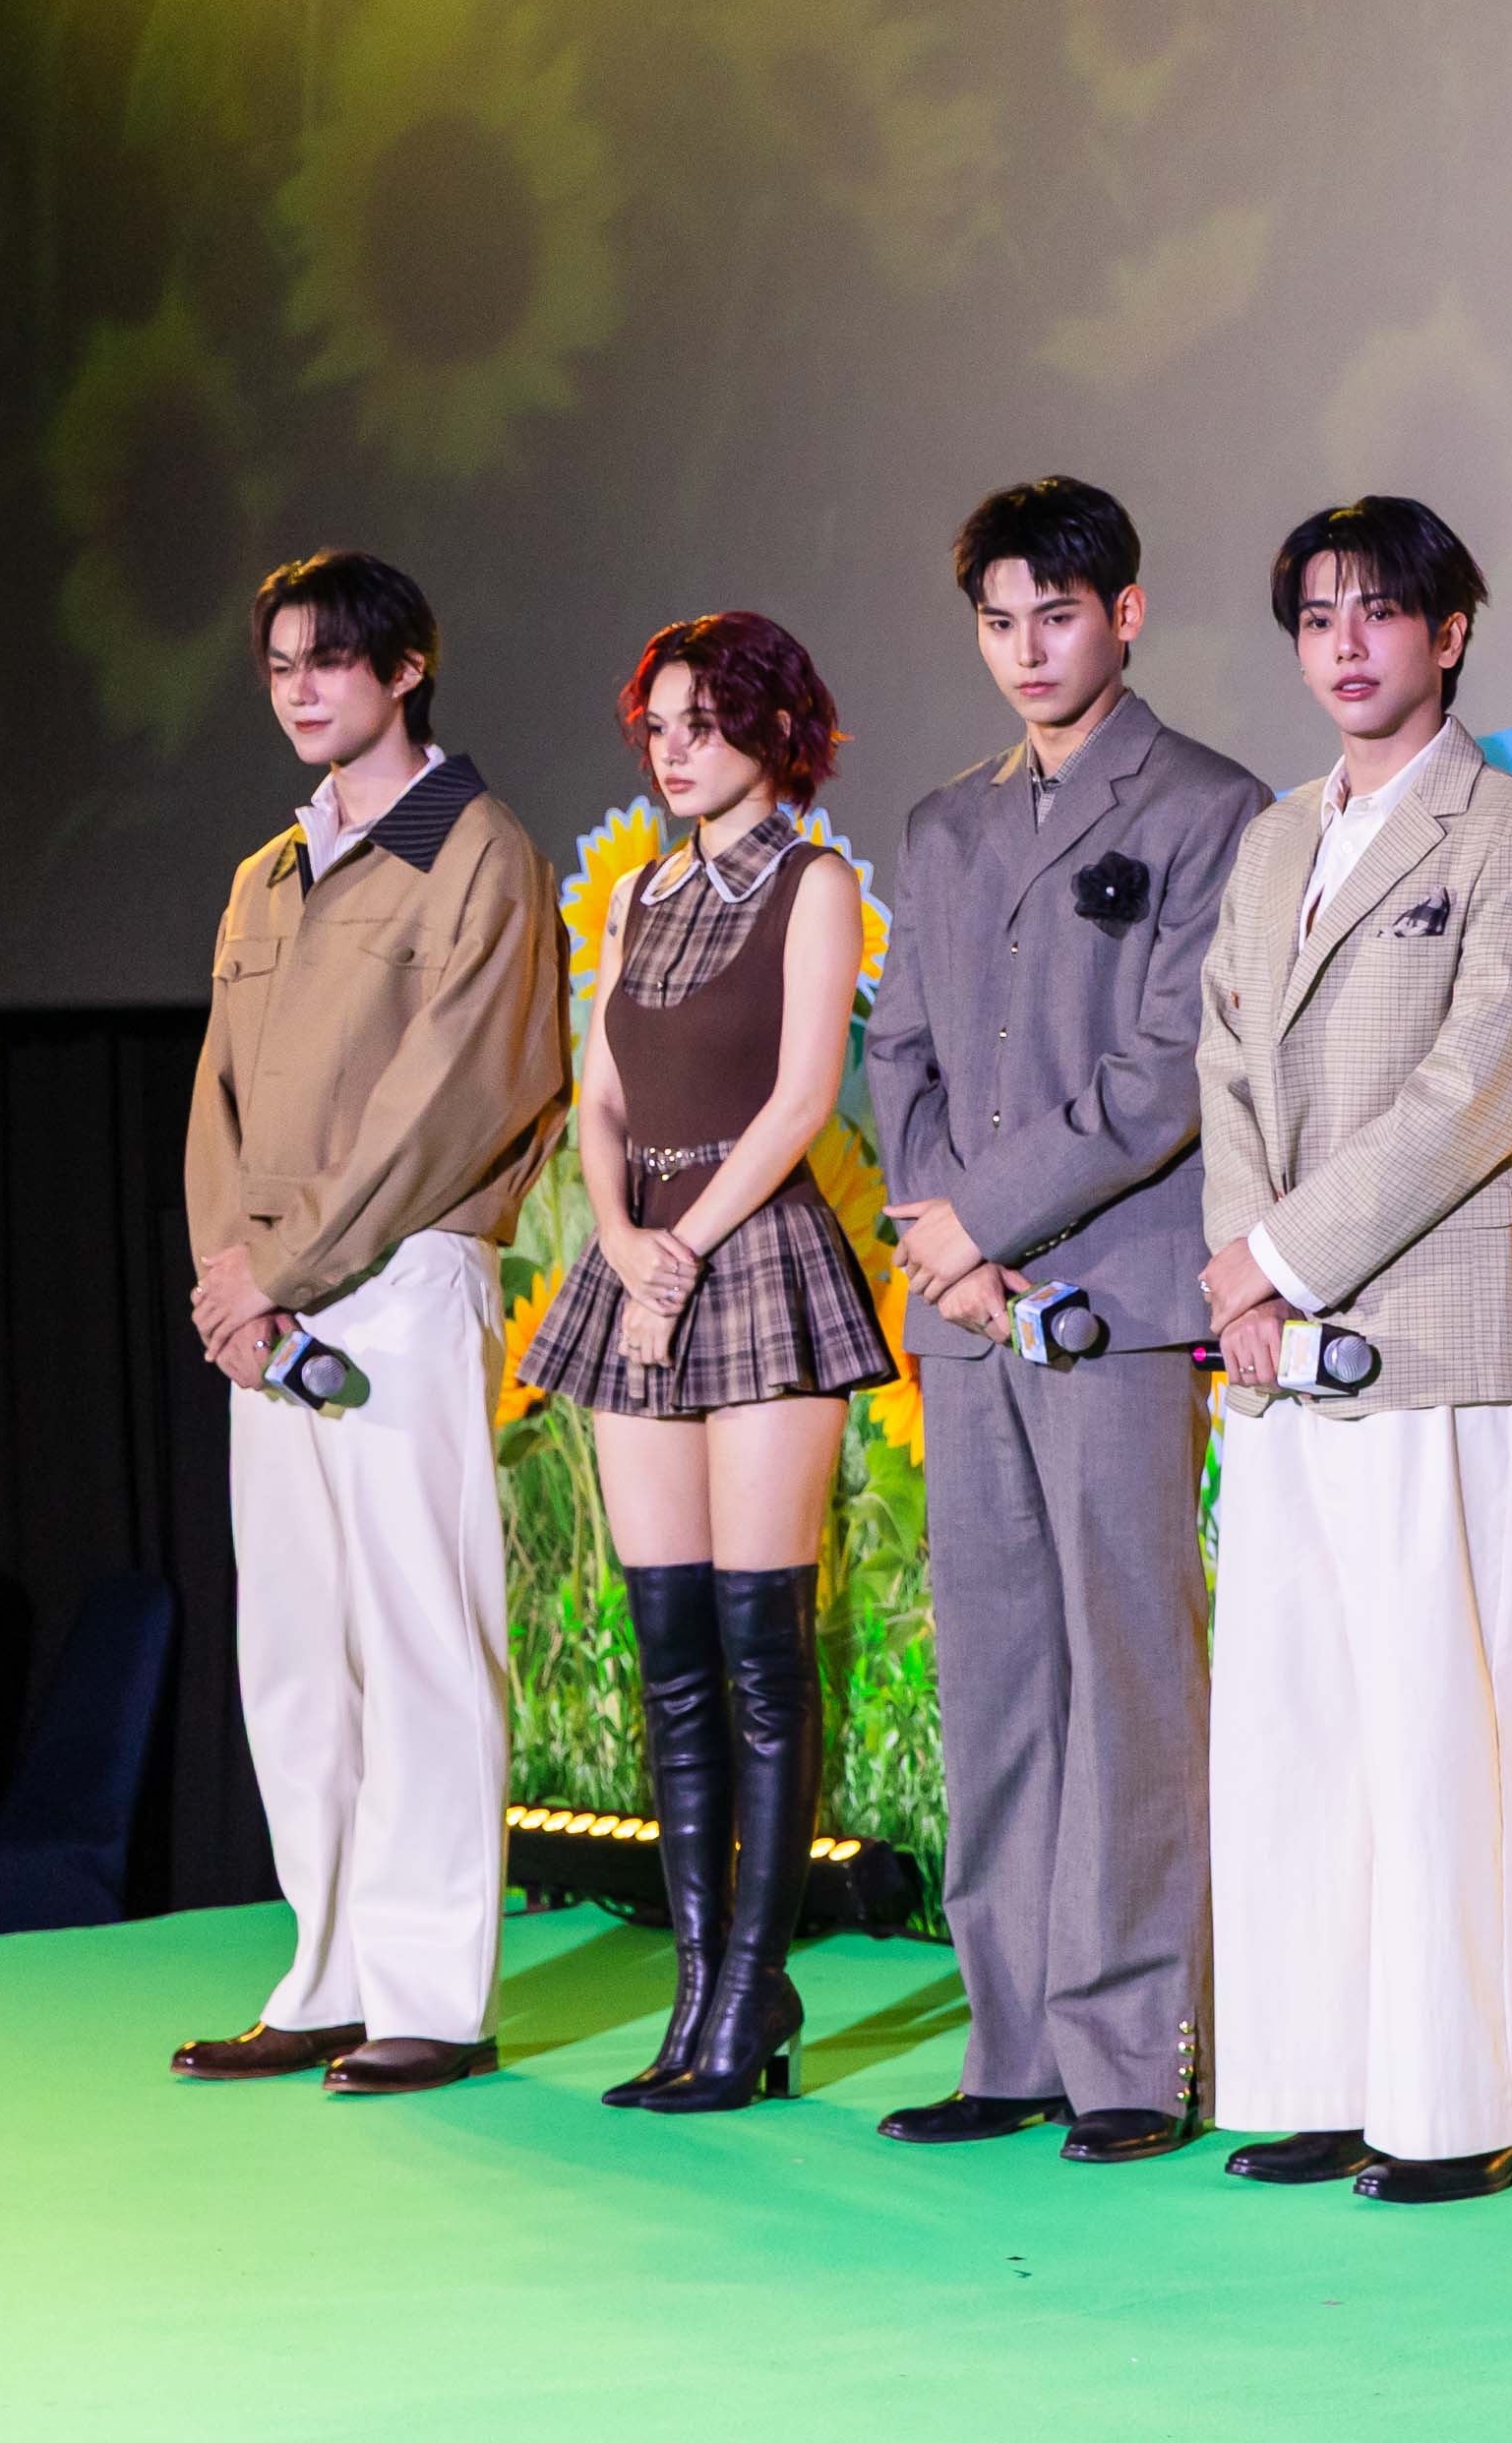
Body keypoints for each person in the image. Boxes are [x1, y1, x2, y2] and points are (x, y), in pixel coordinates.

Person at [861, 478, 1267, 2164]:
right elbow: (899, 1054)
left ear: (1127, 615)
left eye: (1059, 616)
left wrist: (988, 1220)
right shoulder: (945, 822)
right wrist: (946, 1243)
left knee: (1130, 1677)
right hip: (970, 1317)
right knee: (998, 1673)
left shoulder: (1209, 805)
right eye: (1000, 622)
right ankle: (1010, 2041)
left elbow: (1169, 1069)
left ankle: (1132, 2057)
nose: (1029, 650)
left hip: (1116, 1303)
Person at [1193, 497, 1512, 2207]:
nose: (1346, 645)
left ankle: (1470, 2097)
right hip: (1277, 1349)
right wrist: (1247, 1286)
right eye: (1317, 618)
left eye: (1379, 612)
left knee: (1444, 1730)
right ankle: (1326, 2076)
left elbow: (1478, 1093)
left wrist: (1278, 1260)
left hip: (1433, 1331)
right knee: (1298, 1721)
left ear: (1451, 632)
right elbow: (1224, 1065)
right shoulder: (1277, 837)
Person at [175, 553, 568, 2099]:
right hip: (266, 1307)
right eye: (281, 665)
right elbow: (216, 1100)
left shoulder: (480, 850)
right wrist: (230, 1279)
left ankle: (431, 1996)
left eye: (330, 661)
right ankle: (326, 1976)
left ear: (406, 670)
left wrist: (285, 1268)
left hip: (401, 1280)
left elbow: (456, 1095)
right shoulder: (265, 874)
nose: (301, 690)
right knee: (295, 1650)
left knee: (420, 1639)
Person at [519, 613, 897, 2114]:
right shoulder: (636, 893)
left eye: (705, 722)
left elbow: (804, 1097)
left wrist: (683, 1244)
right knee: (671, 1653)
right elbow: (600, 1098)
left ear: (775, 730)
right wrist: (622, 1239)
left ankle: (754, 1988)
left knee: (760, 1651)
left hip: (757, 1258)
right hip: (641, 1264)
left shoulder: (813, 881)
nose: (674, 752)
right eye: (658, 727)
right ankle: (694, 1993)